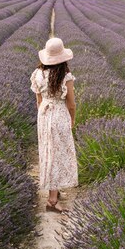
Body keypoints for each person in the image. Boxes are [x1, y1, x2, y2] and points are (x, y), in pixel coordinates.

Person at [30, 37, 78, 213]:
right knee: (57, 155)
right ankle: (52, 200)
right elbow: (71, 104)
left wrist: (43, 115)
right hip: (59, 114)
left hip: (44, 114)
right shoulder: (66, 77)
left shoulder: (38, 74)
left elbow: (39, 100)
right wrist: (72, 119)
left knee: (47, 152)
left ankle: (53, 192)